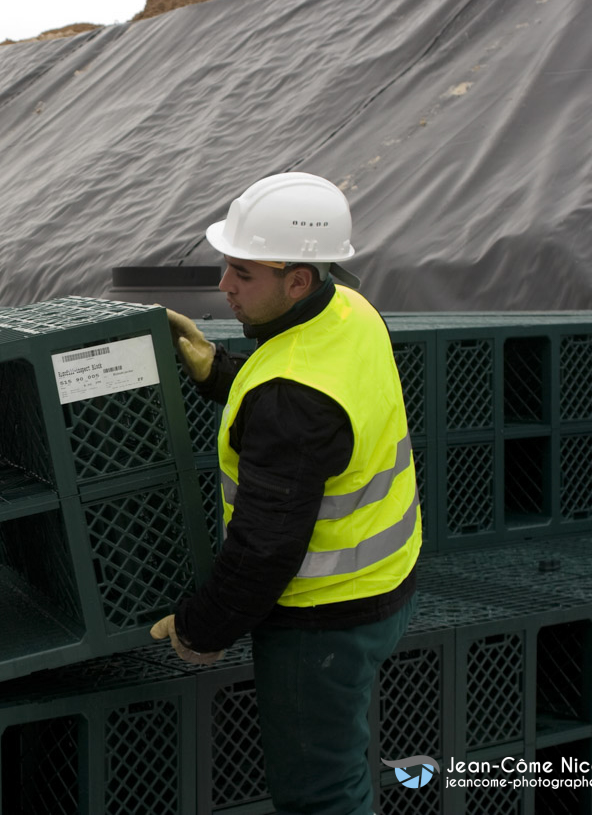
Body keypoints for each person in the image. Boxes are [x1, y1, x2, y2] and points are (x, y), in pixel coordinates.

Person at [150, 172, 420, 814]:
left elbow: (265, 547)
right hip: (387, 580)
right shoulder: (351, 309)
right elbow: (315, 415)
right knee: (340, 764)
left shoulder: (292, 399)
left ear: (297, 280)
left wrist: (201, 629)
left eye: (242, 273)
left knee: (321, 795)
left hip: (322, 623)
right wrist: (220, 373)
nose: (224, 285)